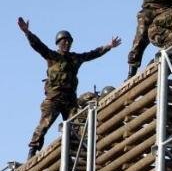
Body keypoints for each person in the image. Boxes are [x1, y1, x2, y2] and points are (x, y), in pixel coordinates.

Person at [17, 17, 121, 159]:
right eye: (63, 41)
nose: (66, 43)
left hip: (69, 100)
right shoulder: (52, 56)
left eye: (68, 41)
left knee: (76, 125)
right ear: (58, 43)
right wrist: (27, 32)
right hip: (54, 98)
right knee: (44, 125)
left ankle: (81, 152)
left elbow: (92, 54)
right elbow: (38, 45)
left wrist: (108, 46)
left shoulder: (75, 58)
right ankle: (33, 151)